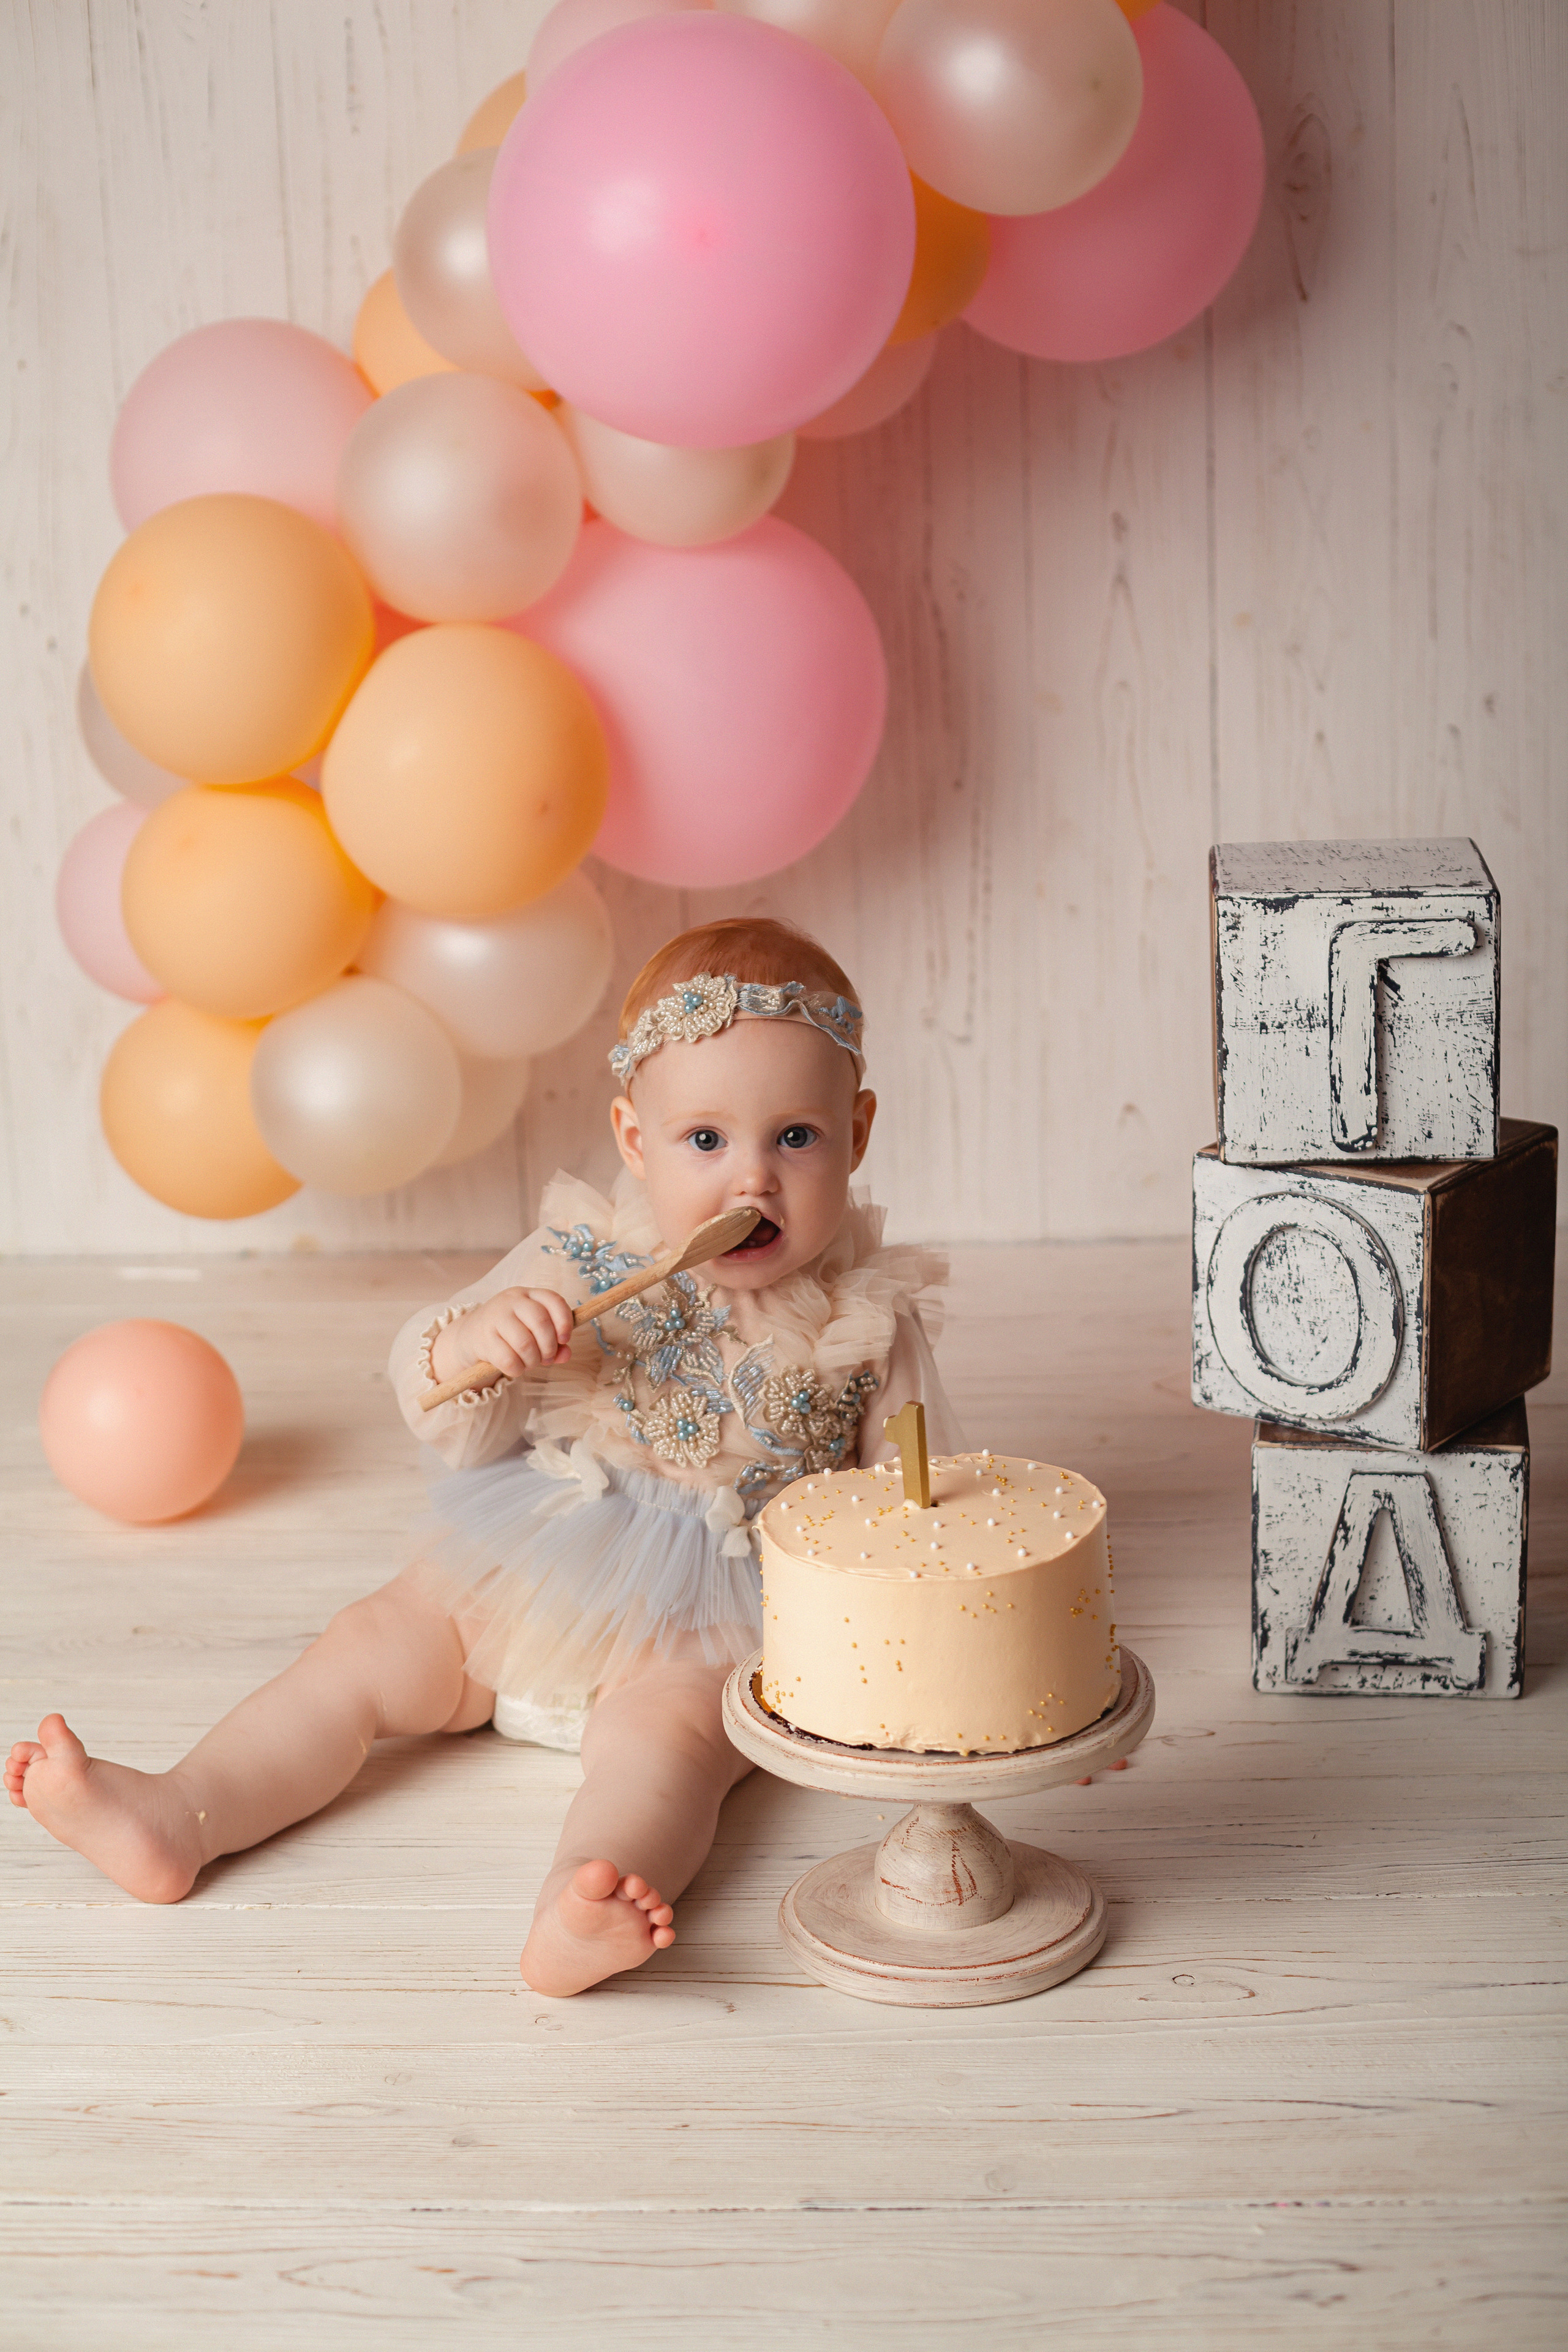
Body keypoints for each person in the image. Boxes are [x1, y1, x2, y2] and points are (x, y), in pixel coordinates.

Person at [6, 917, 962, 1994]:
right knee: (371, 1647)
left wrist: (914, 1619)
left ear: (858, 1131)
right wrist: (477, 1345)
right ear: (635, 1138)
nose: (752, 1181)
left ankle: (586, 1901)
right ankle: (182, 1811)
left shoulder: (865, 1315)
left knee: (672, 1751)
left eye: (796, 1137)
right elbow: (444, 1408)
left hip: (721, 1606)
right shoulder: (579, 1255)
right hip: (540, 1552)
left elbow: (914, 1495)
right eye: (706, 1141)